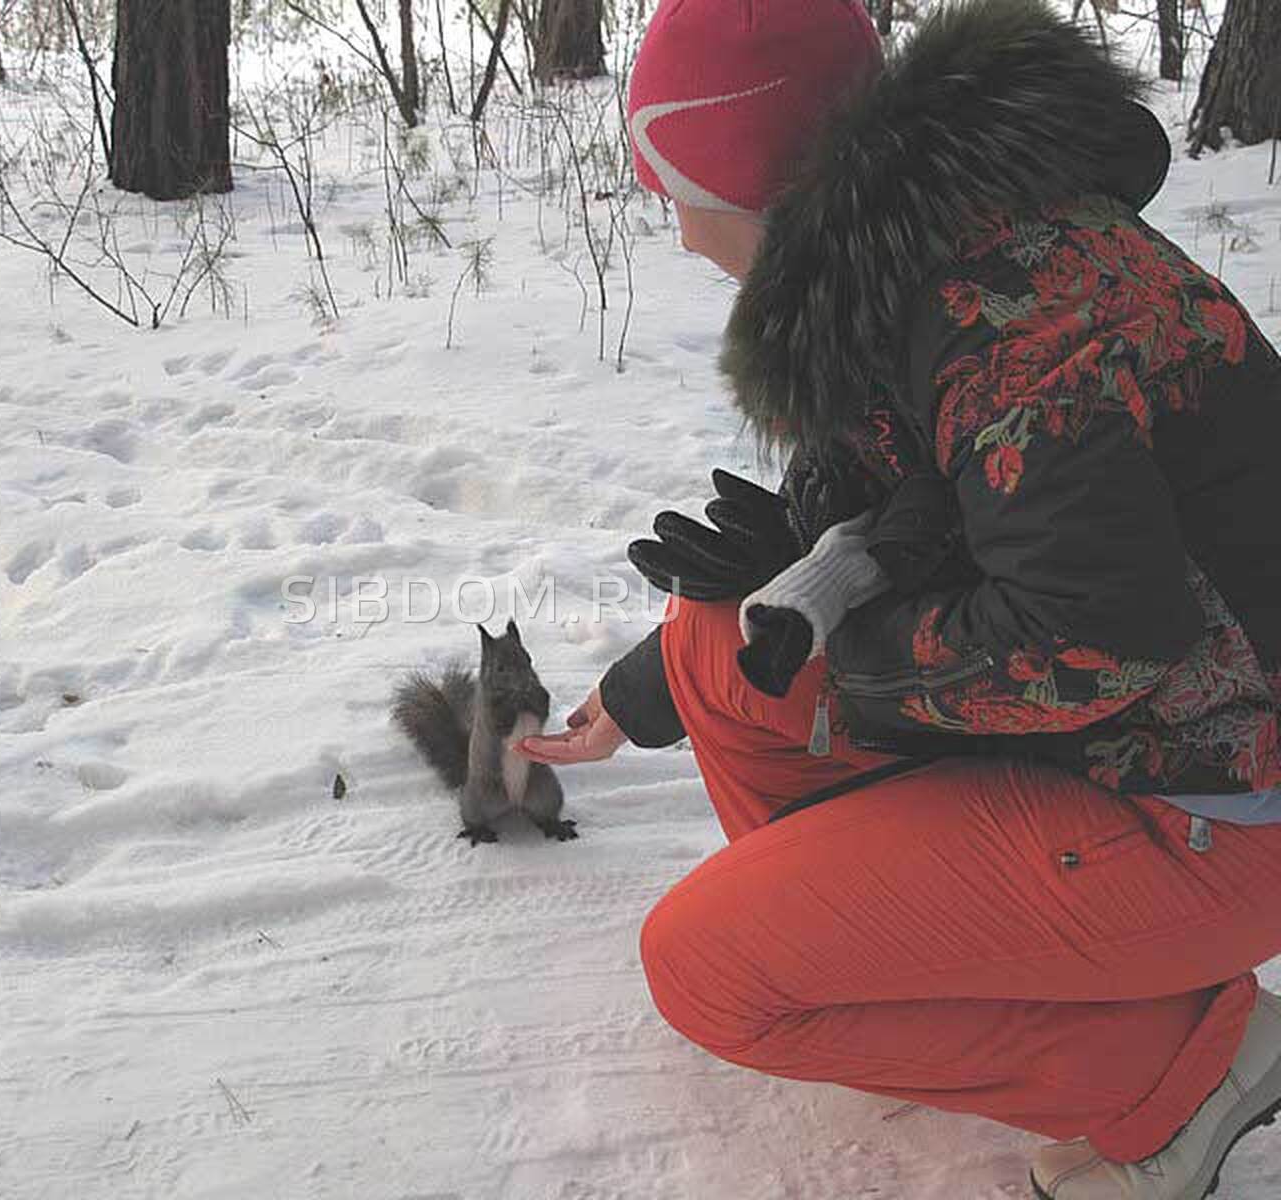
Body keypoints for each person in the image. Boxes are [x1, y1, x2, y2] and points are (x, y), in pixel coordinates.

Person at [513, 0, 1281, 1196]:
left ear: (751, 169)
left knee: (704, 972)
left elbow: (1093, 638)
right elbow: (930, 522)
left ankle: (1182, 1063)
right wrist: (656, 678)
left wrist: (856, 661)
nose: (670, 227)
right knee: (717, 639)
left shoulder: (1010, 317)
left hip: (1217, 801)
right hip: (1140, 739)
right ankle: (905, 964)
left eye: (673, 181)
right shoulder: (922, 257)